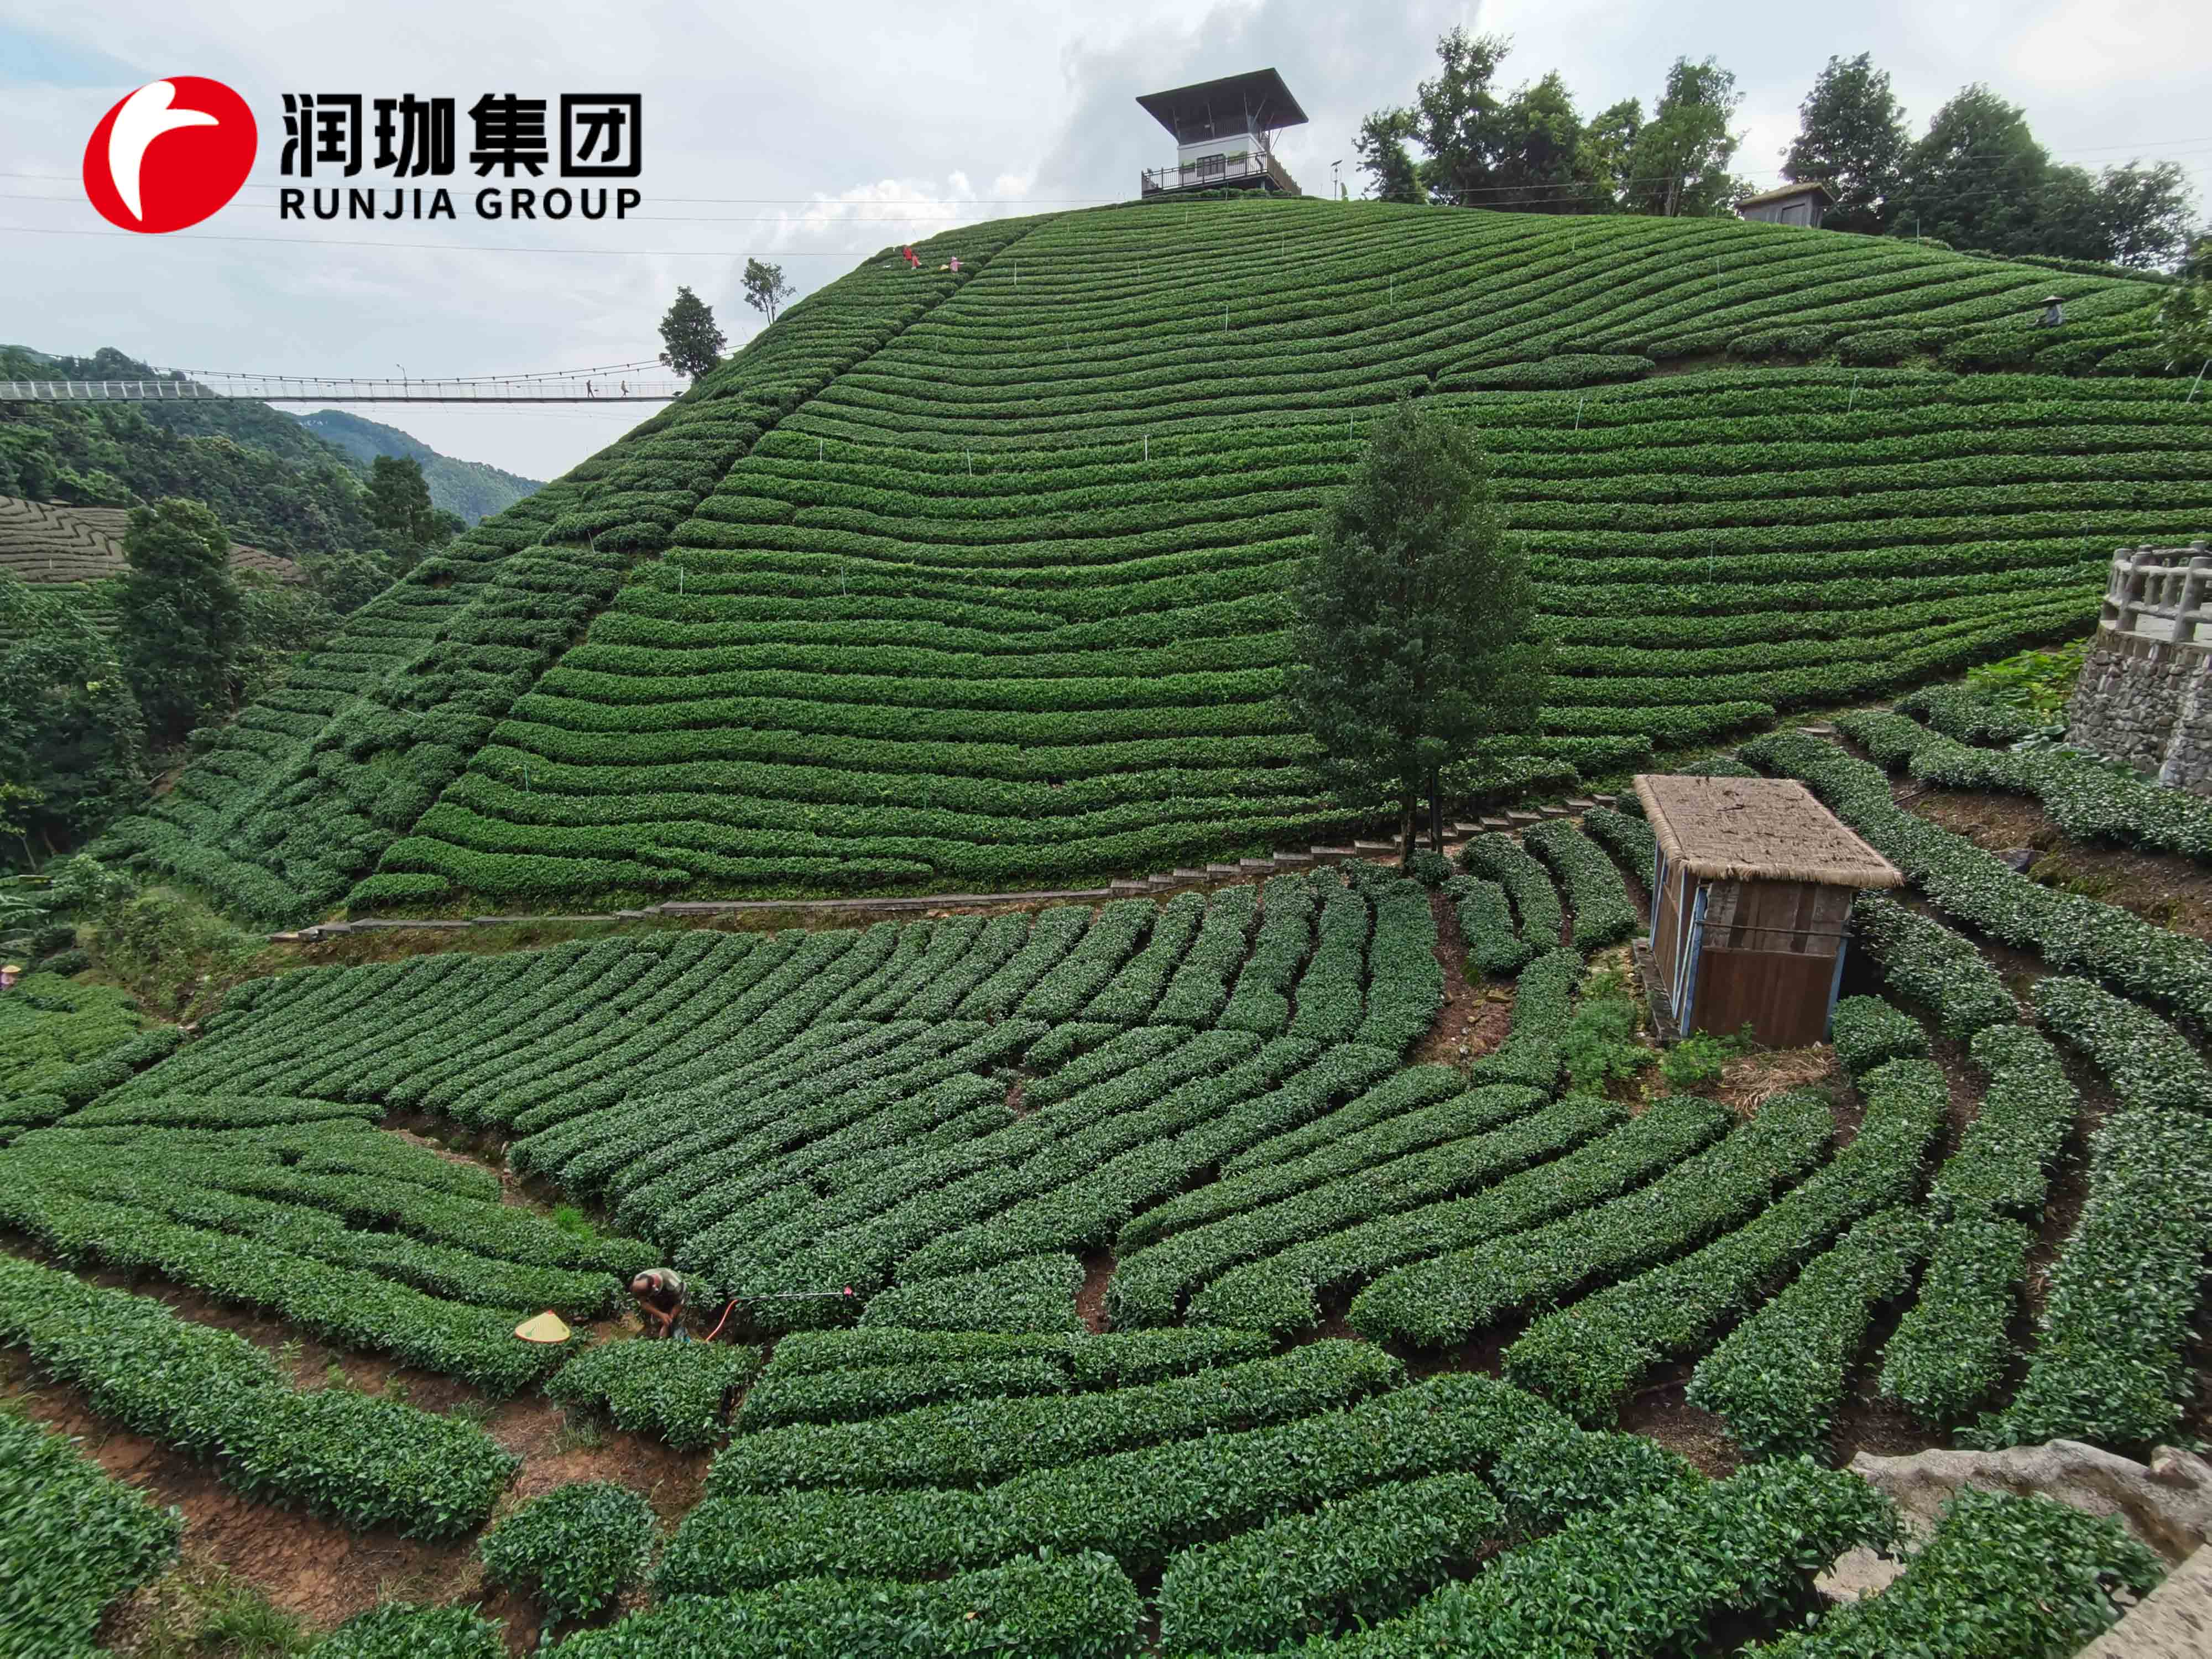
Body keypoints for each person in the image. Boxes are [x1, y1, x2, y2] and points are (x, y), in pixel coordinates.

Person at [630, 1268, 686, 1339]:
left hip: (678, 1300)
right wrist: (661, 1315)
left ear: (654, 1289)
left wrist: (667, 1323)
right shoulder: (638, 1281)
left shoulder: (675, 1284)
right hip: (656, 1299)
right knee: (654, 1329)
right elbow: (643, 1303)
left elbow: (680, 1303)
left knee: (676, 1331)